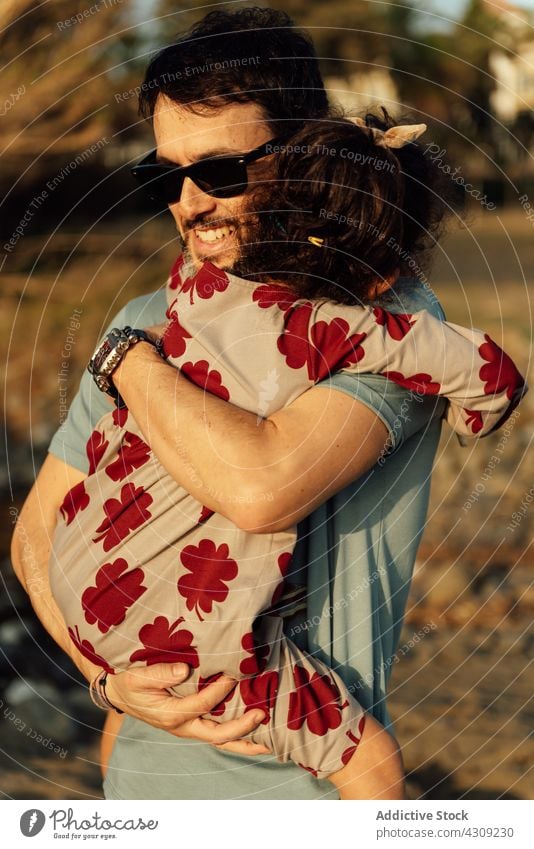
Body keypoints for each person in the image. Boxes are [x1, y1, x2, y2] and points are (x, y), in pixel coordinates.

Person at [11, 7, 518, 800]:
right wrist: (107, 682)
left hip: (299, 791)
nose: (190, 203)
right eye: (163, 175)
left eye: (220, 171)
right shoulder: (145, 319)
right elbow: (36, 535)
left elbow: (261, 488)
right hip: (136, 783)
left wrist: (127, 368)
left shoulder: (379, 314)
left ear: (306, 152)